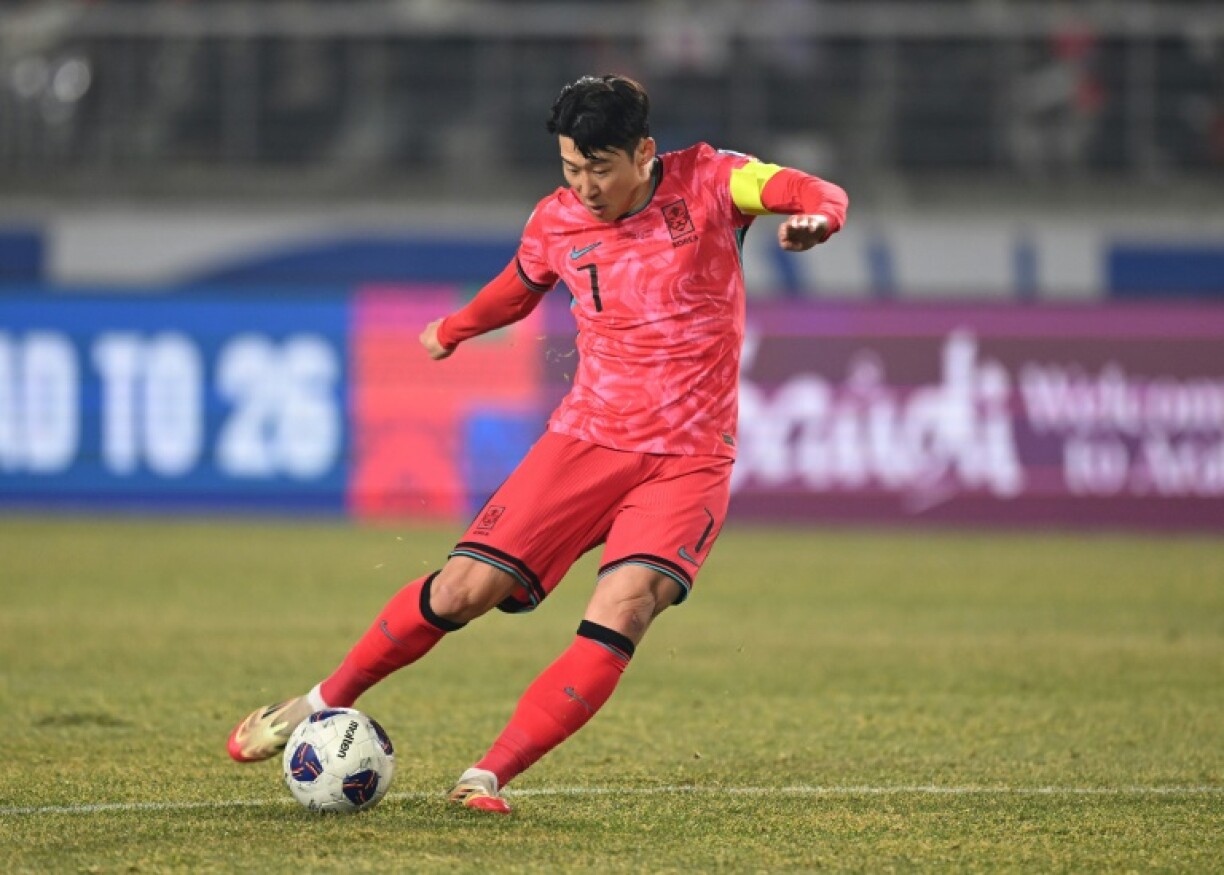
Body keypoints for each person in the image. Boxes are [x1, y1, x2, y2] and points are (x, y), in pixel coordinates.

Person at [227, 74, 848, 814]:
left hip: (688, 458)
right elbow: (520, 287)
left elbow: (817, 190)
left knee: (628, 606)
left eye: (602, 168)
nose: (586, 186)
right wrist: (454, 328)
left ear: (645, 151)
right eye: (571, 167)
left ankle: (486, 775)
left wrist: (818, 220)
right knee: (462, 590)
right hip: (584, 440)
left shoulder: (714, 180)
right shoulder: (556, 219)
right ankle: (317, 699)